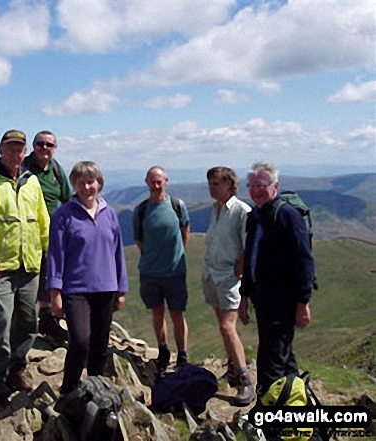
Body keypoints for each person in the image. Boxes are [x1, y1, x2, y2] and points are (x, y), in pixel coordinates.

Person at [0, 129, 50, 401]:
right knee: (1, 322)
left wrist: (49, 254)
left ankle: (17, 368)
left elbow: (42, 221)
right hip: (0, 268)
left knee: (27, 322)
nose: (16, 153)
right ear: (1, 149)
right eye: (11, 148)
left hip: (29, 266)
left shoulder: (32, 182)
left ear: (25, 152)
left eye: (20, 149)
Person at [46, 161, 127, 394]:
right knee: (80, 341)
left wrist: (121, 289)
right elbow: (56, 254)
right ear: (74, 185)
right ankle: (69, 389)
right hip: (76, 289)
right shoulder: (64, 215)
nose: (86, 186)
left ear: (99, 184)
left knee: (100, 344)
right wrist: (55, 292)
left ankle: (96, 387)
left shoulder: (109, 214)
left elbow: (118, 251)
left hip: (106, 287)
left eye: (91, 181)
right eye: (81, 182)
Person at [239, 161, 314, 396]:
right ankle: (300, 412)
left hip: (283, 301)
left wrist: (303, 303)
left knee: (270, 362)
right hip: (263, 299)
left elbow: (304, 259)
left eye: (261, 185)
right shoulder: (257, 216)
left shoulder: (287, 216)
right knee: (284, 358)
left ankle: (268, 420)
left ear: (275, 186)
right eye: (251, 186)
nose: (256, 190)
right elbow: (251, 258)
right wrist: (244, 296)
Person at [202, 166, 255, 406]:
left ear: (230, 185)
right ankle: (234, 368)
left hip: (229, 277)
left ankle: (246, 380)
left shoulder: (241, 211)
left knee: (227, 327)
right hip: (213, 274)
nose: (212, 188)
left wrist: (240, 269)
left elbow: (248, 244)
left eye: (217, 183)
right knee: (221, 324)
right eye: (210, 183)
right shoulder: (216, 209)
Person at [132, 166, 190, 373]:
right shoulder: (141, 210)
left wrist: (175, 256)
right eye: (152, 182)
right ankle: (163, 350)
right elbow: (139, 240)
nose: (156, 186)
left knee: (177, 314)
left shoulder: (177, 205)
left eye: (159, 181)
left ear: (166, 181)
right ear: (147, 182)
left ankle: (182, 354)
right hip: (150, 273)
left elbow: (185, 232)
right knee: (157, 313)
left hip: (174, 272)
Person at [23, 131, 71, 343]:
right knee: (34, 277)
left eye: (49, 145)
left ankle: (48, 320)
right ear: (33, 146)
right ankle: (35, 323)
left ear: (55, 148)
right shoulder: (23, 169)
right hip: (27, 233)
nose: (44, 148)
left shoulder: (56, 170)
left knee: (51, 273)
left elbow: (67, 199)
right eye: (40, 144)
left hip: (53, 232)